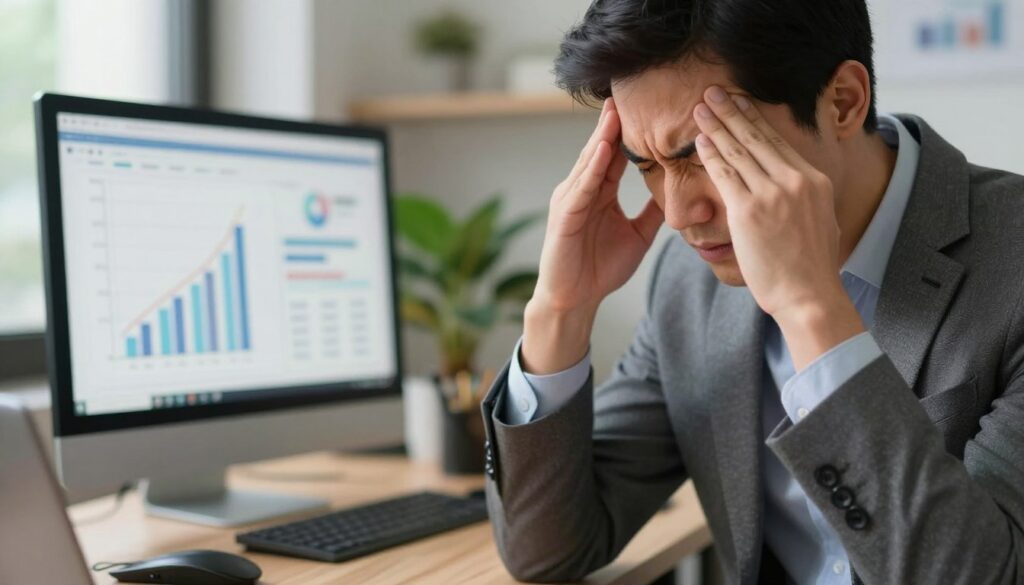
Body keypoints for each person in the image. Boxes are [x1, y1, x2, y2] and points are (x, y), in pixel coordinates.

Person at [477, 1, 1024, 583]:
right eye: (647, 166)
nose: (681, 214)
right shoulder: (691, 284)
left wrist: (810, 308)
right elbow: (548, 552)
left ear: (842, 101)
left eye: (706, 154)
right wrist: (560, 311)